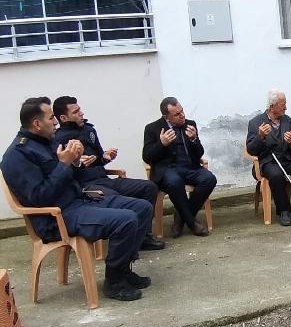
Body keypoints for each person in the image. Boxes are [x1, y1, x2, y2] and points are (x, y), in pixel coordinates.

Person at [1, 97, 153, 301]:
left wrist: (75, 161)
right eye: (51, 118)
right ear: (37, 124)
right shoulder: (17, 155)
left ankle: (123, 268)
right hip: (57, 217)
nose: (55, 122)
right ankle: (114, 281)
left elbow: (67, 176)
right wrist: (64, 164)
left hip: (79, 200)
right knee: (125, 220)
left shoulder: (47, 142)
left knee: (142, 208)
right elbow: (40, 197)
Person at [53, 96, 164, 251]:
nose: (82, 113)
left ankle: (142, 237)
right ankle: (124, 240)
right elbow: (59, 172)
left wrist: (105, 157)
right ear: (64, 118)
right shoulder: (58, 140)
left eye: (80, 109)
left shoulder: (89, 130)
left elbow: (99, 158)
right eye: (76, 112)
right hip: (84, 186)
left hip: (103, 179)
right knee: (115, 198)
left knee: (149, 187)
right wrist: (76, 163)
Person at [142, 97, 216, 237]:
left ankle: (181, 218)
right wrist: (162, 144)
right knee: (174, 182)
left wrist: (194, 139)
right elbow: (147, 157)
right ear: (166, 117)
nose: (182, 115)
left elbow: (199, 153)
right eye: (177, 114)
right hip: (168, 169)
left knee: (209, 179)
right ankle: (192, 223)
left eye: (182, 111)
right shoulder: (152, 128)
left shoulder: (190, 124)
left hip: (190, 167)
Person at [247, 90, 291, 226]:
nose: (286, 107)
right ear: (272, 106)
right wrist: (260, 136)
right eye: (283, 105)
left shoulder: (288, 121)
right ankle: (284, 211)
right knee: (276, 175)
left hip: (288, 158)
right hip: (268, 161)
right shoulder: (256, 122)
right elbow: (251, 149)